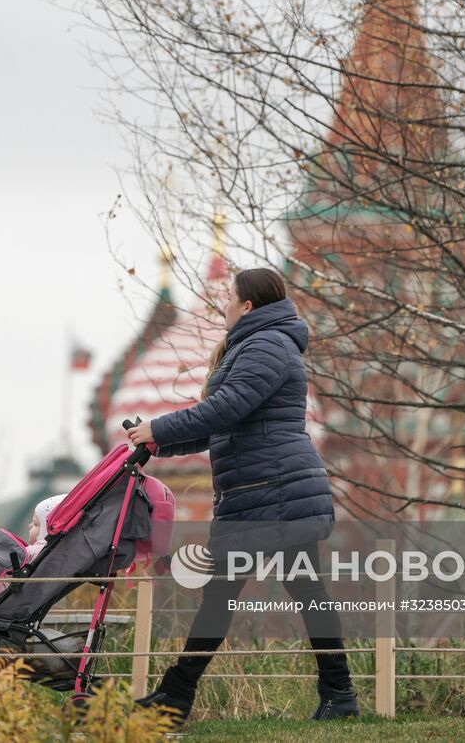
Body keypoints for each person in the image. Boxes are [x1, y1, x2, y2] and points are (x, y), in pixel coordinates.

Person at [127, 267, 358, 726]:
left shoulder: (267, 345)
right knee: (291, 593)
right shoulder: (259, 345)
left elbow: (224, 408)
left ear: (247, 305)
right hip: (264, 490)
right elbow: (227, 423)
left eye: (229, 299)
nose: (225, 306)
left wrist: (158, 427)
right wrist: (156, 443)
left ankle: (176, 699)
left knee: (227, 597)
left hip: (270, 491)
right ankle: (339, 694)